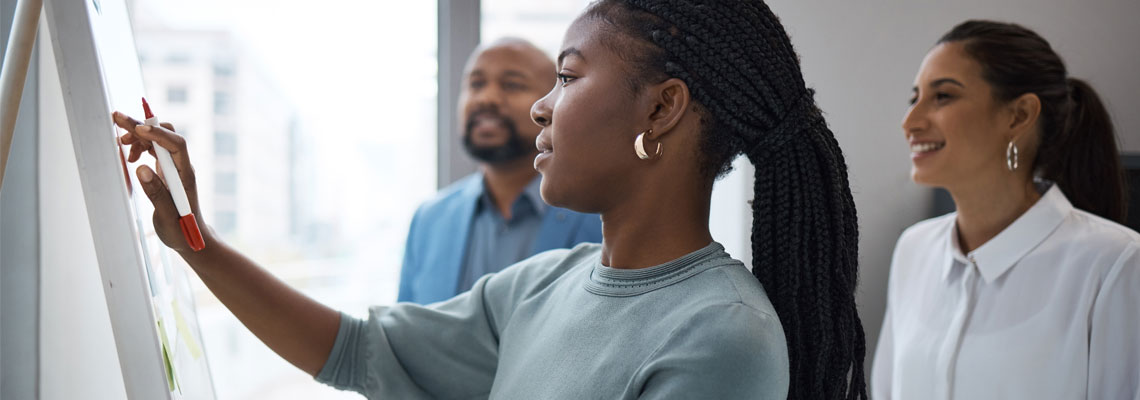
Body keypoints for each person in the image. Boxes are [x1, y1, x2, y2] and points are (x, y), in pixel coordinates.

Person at [115, 0, 868, 398]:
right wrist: (194, 242)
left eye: (567, 78)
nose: (541, 107)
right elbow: (357, 350)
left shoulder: (722, 336)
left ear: (661, 109)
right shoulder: (548, 284)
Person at [872, 20, 1139, 400]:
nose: (910, 122)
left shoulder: (1116, 264)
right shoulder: (913, 250)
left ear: (1018, 115)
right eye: (914, 98)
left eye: (943, 96)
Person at [399, 38, 602, 305]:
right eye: (476, 84)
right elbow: (402, 337)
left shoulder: (597, 215)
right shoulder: (429, 219)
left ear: (552, 105)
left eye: (512, 85)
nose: (486, 98)